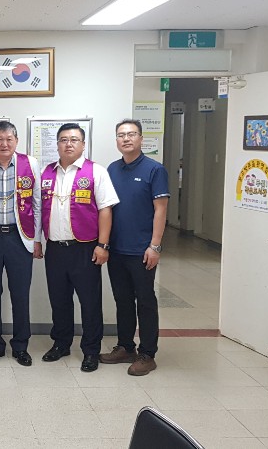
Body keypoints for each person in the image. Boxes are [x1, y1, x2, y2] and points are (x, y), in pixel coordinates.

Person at [40, 123, 119, 373]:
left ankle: (91, 350)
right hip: (55, 248)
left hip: (85, 248)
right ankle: (61, 344)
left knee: (89, 302)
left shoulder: (96, 171)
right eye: (64, 139)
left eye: (74, 139)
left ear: (83, 145)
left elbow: (106, 210)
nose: (69, 144)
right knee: (59, 300)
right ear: (57, 144)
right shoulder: (47, 173)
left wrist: (102, 245)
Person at [100, 119, 169, 376]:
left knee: (146, 301)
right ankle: (126, 347)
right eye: (121, 135)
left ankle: (147, 353)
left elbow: (160, 210)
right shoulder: (112, 169)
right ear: (116, 140)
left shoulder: (155, 169)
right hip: (116, 249)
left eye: (131, 134)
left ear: (141, 138)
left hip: (142, 250)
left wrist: (155, 246)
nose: (126, 139)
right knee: (123, 300)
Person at [0, 121, 41, 366]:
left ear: (16, 141)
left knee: (20, 294)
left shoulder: (30, 164)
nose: (4, 144)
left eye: (9, 139)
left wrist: (37, 239)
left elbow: (37, 204)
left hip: (19, 237)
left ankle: (21, 346)